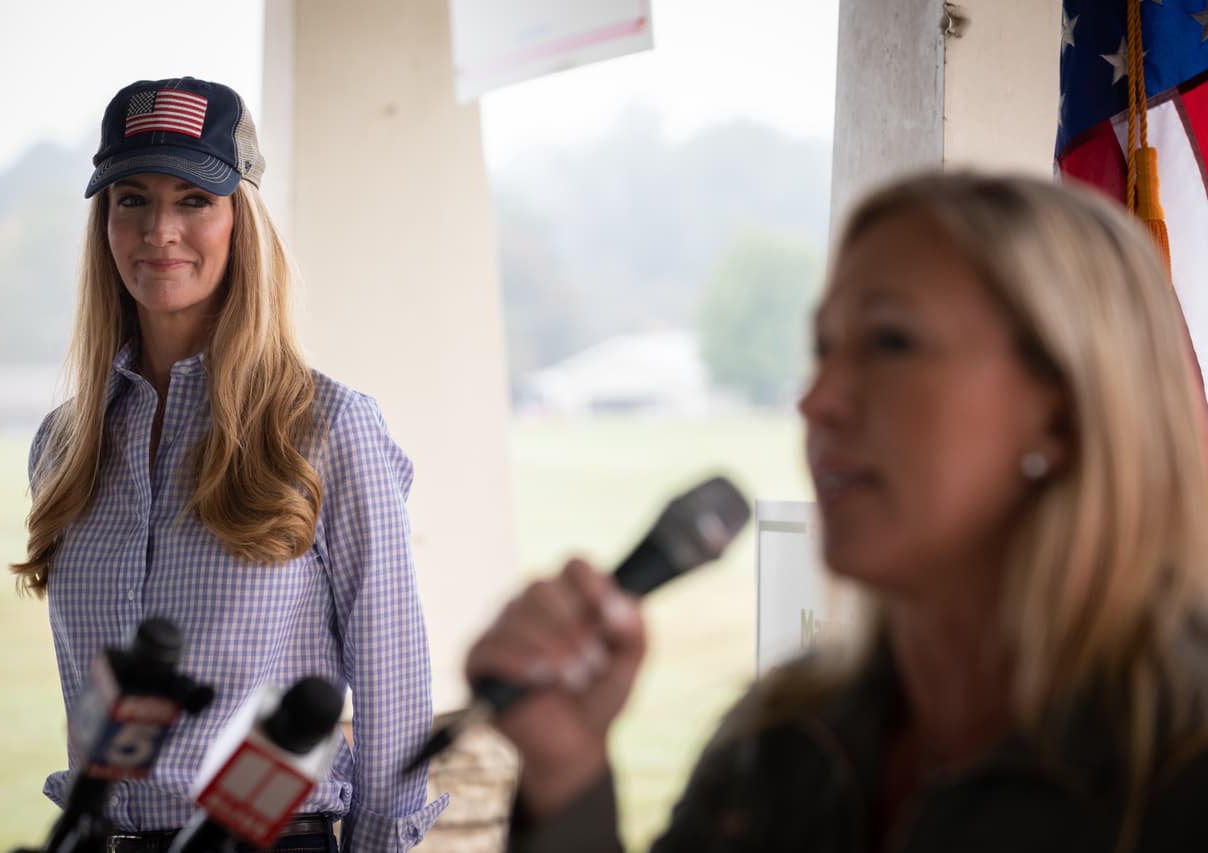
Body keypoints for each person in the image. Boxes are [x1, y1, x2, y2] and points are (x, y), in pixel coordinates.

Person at [466, 171, 1208, 852]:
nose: (817, 400)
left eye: (889, 340)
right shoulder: (785, 736)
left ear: (1065, 408)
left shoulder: (1181, 760)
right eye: (822, 348)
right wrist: (565, 776)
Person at [11, 77, 445, 851]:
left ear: (242, 216)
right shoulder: (64, 445)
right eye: (132, 200)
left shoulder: (327, 427)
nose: (159, 231)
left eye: (194, 200)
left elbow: (395, 691)